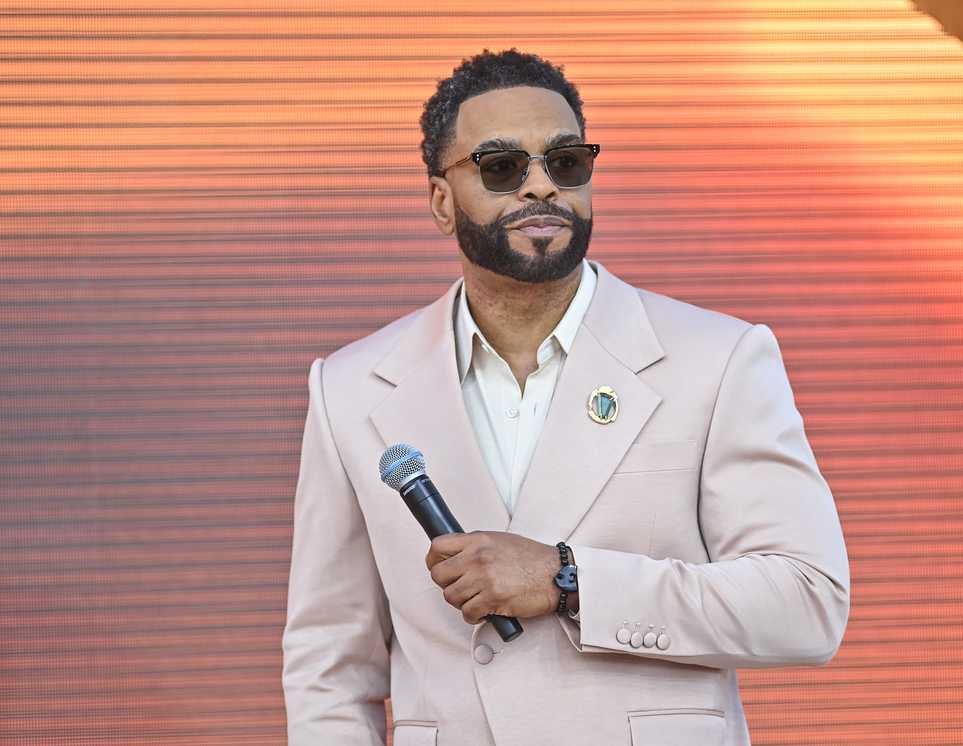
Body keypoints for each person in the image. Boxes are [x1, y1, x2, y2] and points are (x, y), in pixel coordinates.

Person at [281, 48, 849, 746]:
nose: (541, 187)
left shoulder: (718, 359)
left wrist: (570, 579)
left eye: (566, 162)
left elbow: (806, 603)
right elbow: (330, 665)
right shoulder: (348, 387)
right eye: (501, 168)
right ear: (440, 201)